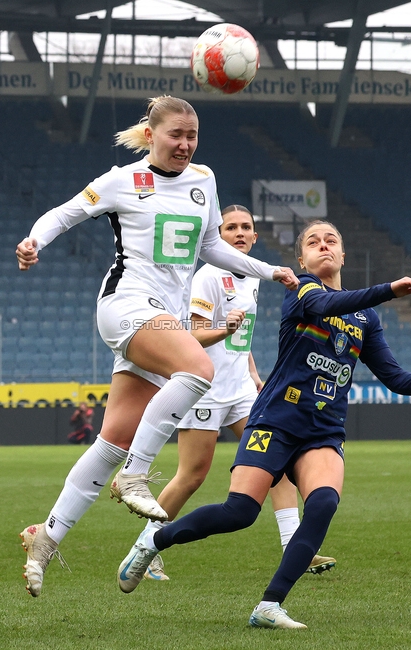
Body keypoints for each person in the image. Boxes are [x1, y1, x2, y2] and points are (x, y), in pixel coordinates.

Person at [115, 220, 411, 629]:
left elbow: (394, 378)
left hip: (323, 431)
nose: (323, 246)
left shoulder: (365, 319)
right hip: (275, 420)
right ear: (302, 259)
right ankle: (154, 542)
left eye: (332, 241)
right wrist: (390, 289)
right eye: (313, 242)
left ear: (342, 255)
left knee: (323, 503)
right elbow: (326, 306)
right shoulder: (301, 292)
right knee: (239, 512)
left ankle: (269, 605)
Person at [14, 95, 299, 597]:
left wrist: (267, 269)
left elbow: (211, 246)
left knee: (112, 441)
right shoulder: (121, 181)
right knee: (197, 368)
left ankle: (47, 535)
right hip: (125, 302)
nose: (185, 145)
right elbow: (62, 215)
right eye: (176, 136)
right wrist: (34, 241)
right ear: (152, 135)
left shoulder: (203, 181)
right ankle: (137, 476)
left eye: (192, 137)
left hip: (162, 315)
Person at [140, 205, 334, 583]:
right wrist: (224, 331)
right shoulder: (208, 276)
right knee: (192, 475)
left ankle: (295, 546)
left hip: (243, 391)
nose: (240, 233)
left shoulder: (253, 275)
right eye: (231, 228)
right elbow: (192, 336)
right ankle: (146, 546)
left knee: (275, 464)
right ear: (218, 235)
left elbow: (240, 339)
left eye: (246, 227)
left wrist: (254, 374)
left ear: (255, 236)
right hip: (207, 391)